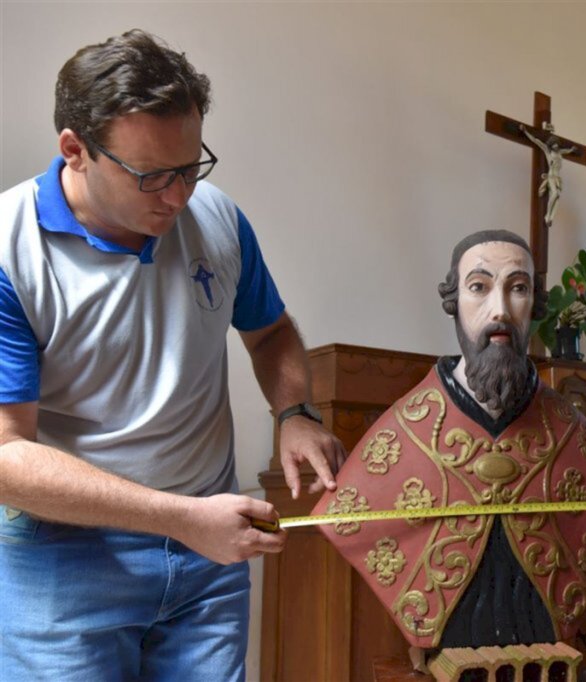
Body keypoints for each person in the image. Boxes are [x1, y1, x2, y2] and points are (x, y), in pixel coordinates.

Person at [0, 30, 344, 680]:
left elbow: (270, 334)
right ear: (75, 150)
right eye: (151, 175)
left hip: (208, 561)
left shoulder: (218, 218)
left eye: (191, 166)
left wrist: (295, 412)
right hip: (63, 559)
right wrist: (181, 519)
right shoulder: (8, 253)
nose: (178, 196)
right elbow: (6, 457)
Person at [313, 230, 586, 654]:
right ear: (454, 303)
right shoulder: (408, 426)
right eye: (479, 287)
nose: (500, 310)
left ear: (535, 307)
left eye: (518, 289)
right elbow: (344, 519)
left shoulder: (566, 425)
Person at [521, 123, 576, 226]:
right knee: (554, 194)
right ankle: (547, 216)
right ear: (551, 144)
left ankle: (551, 217)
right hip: (551, 176)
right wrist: (525, 131)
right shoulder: (548, 151)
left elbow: (569, 151)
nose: (556, 146)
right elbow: (535, 141)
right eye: (554, 144)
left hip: (557, 178)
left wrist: (573, 150)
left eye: (557, 144)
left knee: (557, 196)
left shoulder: (560, 152)